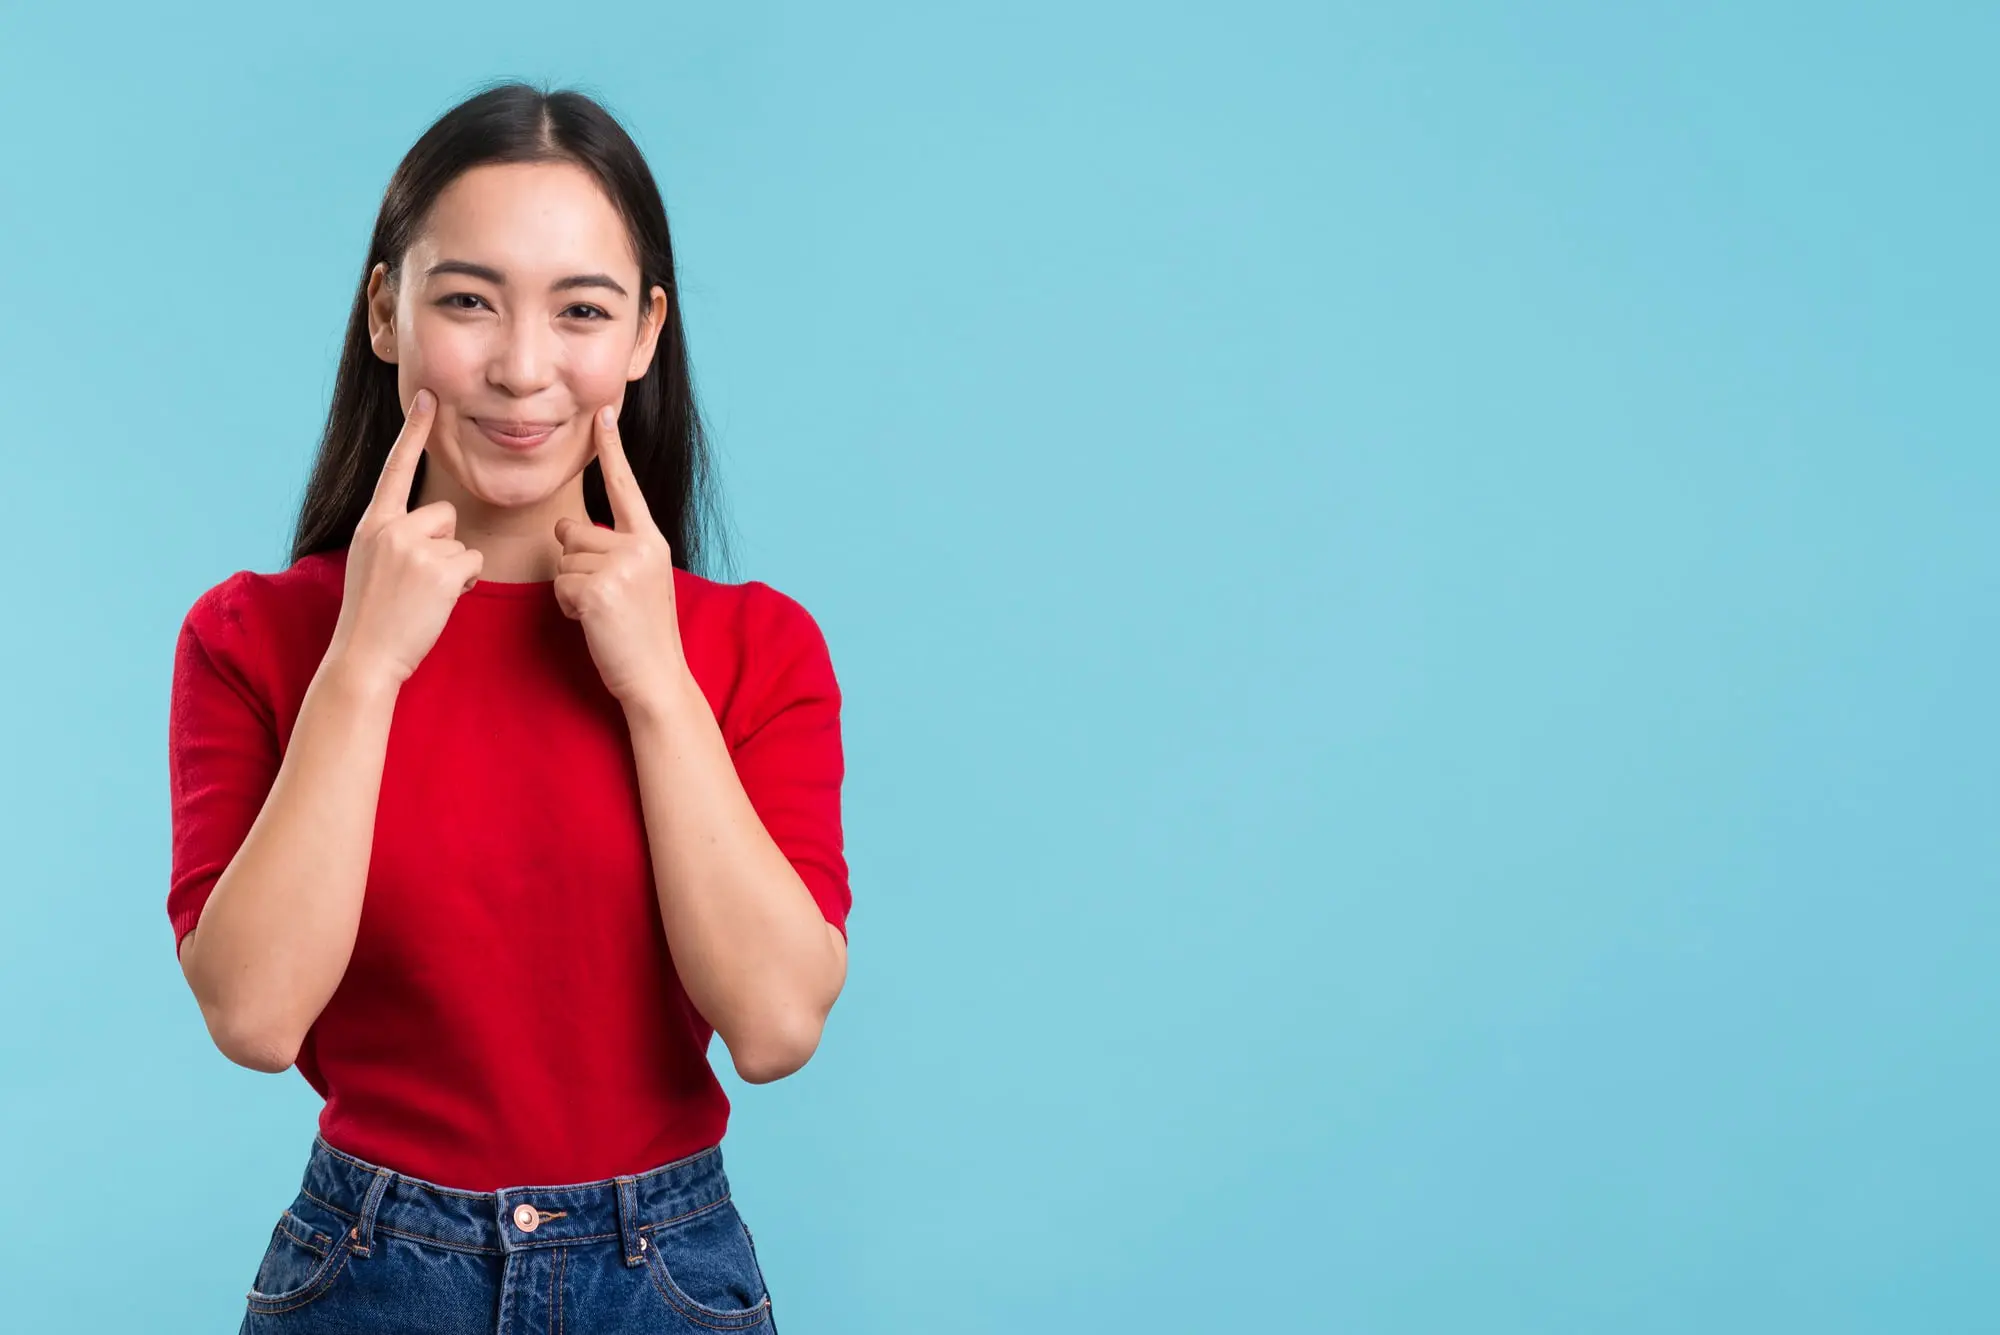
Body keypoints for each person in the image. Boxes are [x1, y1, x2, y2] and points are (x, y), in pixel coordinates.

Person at [166, 81, 850, 1331]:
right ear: (386, 311)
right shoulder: (253, 637)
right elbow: (256, 1017)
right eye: (467, 300)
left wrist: (654, 682)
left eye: (579, 310)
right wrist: (361, 666)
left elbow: (773, 1022)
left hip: (665, 1277)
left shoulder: (755, 647)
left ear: (643, 334)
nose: (522, 367)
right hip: (366, 1267)